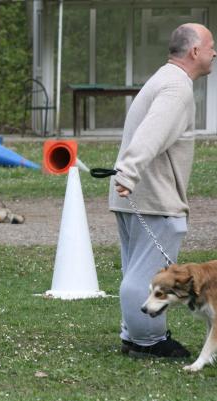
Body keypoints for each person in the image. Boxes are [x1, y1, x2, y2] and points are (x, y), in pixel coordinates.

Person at [110, 23, 216, 358]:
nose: (215, 53)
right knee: (146, 277)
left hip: (137, 197)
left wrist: (127, 177)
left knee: (136, 271)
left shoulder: (163, 78)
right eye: (212, 45)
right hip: (155, 199)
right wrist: (128, 173)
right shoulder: (176, 88)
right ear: (195, 51)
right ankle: (148, 342)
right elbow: (151, 134)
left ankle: (134, 335)